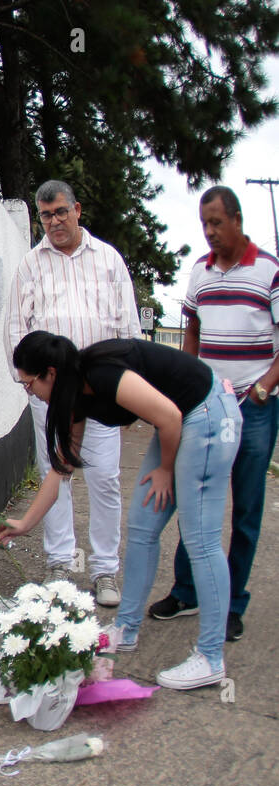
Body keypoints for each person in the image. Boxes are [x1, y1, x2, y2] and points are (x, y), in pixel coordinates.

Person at [0, 331, 241, 690]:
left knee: (200, 539)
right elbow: (61, 469)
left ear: (50, 372)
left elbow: (170, 417)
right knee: (143, 526)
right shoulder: (75, 395)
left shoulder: (102, 375)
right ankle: (126, 629)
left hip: (207, 415)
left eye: (28, 383)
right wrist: (25, 523)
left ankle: (210, 657)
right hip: (178, 420)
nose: (29, 391)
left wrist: (165, 470)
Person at [147, 186, 279, 642]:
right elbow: (192, 331)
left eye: (217, 223)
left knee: (245, 508)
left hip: (255, 407)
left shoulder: (269, 271)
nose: (209, 233)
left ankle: (231, 603)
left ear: (238, 219)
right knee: (197, 498)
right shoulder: (199, 273)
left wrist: (265, 387)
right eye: (204, 224)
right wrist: (186, 385)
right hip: (206, 406)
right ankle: (187, 592)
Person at [4, 180, 141, 608]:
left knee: (105, 479)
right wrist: (28, 383)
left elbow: (128, 327)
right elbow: (14, 326)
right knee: (55, 475)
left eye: (61, 211)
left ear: (77, 209)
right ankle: (60, 564)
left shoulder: (109, 260)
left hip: (100, 391)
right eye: (46, 215)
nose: (55, 221)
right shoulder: (30, 264)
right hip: (50, 395)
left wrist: (127, 386)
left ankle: (104, 571)